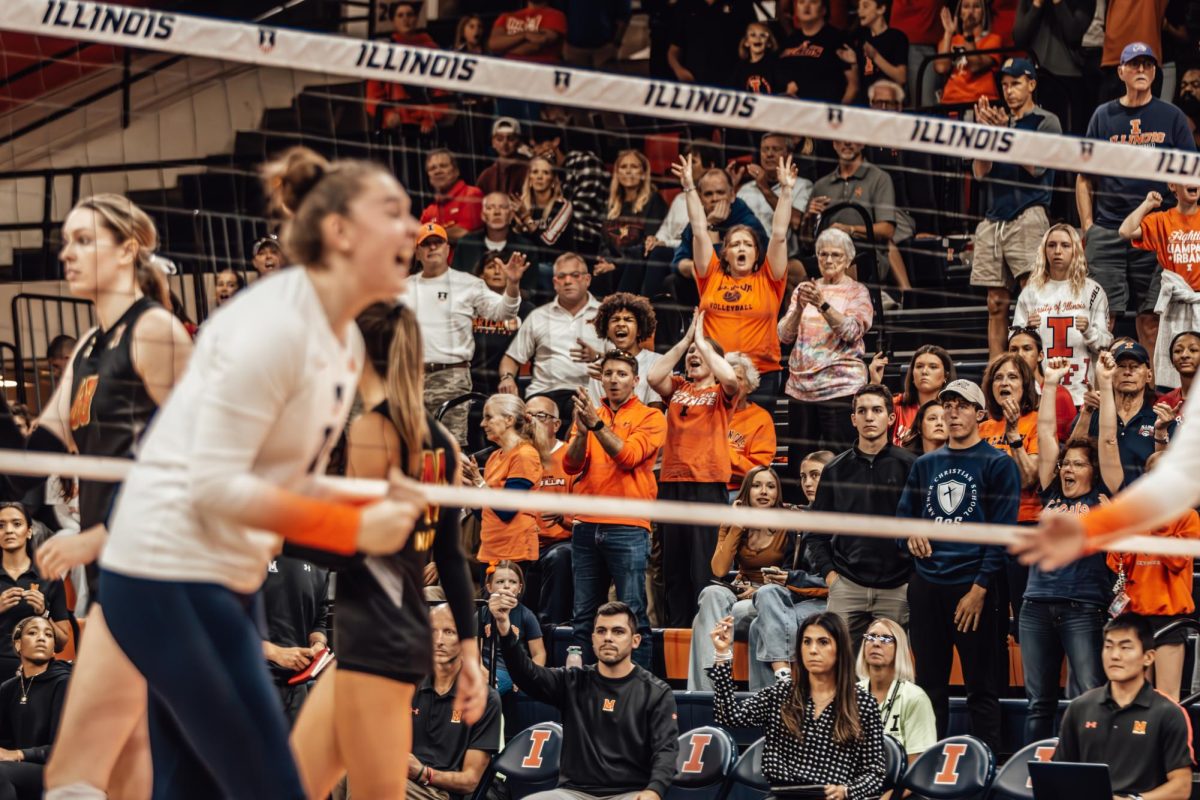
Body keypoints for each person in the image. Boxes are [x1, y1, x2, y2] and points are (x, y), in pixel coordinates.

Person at [90, 147, 456, 800]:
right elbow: (212, 487)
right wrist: (353, 526)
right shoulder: (272, 331)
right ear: (342, 235)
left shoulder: (340, 342)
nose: (413, 230)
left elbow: (281, 480)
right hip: (165, 573)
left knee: (192, 787)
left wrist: (363, 500)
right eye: (394, 215)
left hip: (221, 576)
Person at [7, 193, 195, 800]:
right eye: (66, 241)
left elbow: (194, 463)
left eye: (84, 240)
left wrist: (102, 534)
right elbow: (36, 451)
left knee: (92, 762)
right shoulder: (89, 346)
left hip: (160, 565)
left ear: (128, 250)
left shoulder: (155, 331)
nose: (67, 253)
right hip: (118, 572)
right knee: (119, 759)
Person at [292, 299, 485, 799]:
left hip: (376, 636)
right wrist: (470, 653)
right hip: (392, 637)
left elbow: (357, 547)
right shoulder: (439, 439)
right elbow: (449, 557)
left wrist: (270, 529)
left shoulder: (370, 433)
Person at [896, 379, 1020, 753]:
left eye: (962, 406)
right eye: (947, 405)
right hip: (927, 585)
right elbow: (901, 522)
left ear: (980, 414)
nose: (953, 412)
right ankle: (927, 762)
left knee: (982, 685)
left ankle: (986, 766)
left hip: (974, 586)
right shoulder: (925, 464)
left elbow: (1002, 532)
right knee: (928, 682)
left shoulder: (998, 464)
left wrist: (980, 589)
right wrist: (910, 536)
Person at [1020, 354, 1121, 743]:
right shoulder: (1049, 493)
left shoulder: (1104, 494)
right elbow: (1046, 435)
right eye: (1066, 463)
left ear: (1093, 470)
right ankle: (1030, 773)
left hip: (1083, 606)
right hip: (1036, 606)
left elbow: (1109, 437)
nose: (1068, 469)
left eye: (1078, 464)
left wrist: (1106, 384)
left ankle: (1092, 770)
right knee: (1038, 702)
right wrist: (1050, 383)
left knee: (1089, 697)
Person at [1078, 42, 1197, 356]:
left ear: (1156, 72)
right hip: (1107, 229)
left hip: (1156, 230)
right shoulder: (1103, 116)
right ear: (1121, 72)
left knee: (1152, 319)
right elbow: (1084, 176)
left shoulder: (1171, 116)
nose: (1141, 70)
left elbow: (1191, 174)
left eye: (1147, 65)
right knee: (1102, 318)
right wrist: (1088, 226)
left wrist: (1183, 223)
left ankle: (1156, 397)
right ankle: (1098, 397)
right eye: (1134, 65)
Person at [494, 600, 680, 800]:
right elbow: (527, 675)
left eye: (618, 632)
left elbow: (666, 750)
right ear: (592, 639)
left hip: (629, 793)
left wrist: (654, 791)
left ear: (635, 640)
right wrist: (506, 632)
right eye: (601, 631)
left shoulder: (656, 692)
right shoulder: (573, 681)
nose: (607, 638)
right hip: (573, 793)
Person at [709, 611, 885, 799]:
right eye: (807, 642)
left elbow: (876, 773)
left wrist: (847, 791)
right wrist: (722, 655)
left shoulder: (863, 704)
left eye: (823, 642)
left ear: (840, 649)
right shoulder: (780, 694)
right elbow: (728, 716)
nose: (813, 650)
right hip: (783, 794)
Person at [564, 351, 666, 669]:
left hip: (629, 526)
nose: (614, 379)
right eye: (608, 373)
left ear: (635, 381)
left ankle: (642, 694)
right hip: (586, 525)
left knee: (634, 614)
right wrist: (581, 433)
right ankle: (581, 690)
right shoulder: (589, 415)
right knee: (583, 616)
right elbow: (570, 464)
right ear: (601, 379)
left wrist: (594, 426)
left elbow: (629, 457)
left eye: (622, 374)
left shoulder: (651, 417)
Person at [688, 465, 825, 692]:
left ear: (777, 493)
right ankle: (709, 689)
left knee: (713, 619)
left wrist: (764, 586)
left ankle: (754, 693)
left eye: (770, 487)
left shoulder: (789, 521)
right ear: (746, 491)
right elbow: (720, 570)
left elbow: (792, 569)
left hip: (771, 595)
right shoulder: (732, 521)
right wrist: (737, 526)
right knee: (710, 594)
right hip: (740, 590)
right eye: (757, 486)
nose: (764, 492)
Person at [677, 151, 796, 399]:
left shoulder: (770, 278)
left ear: (756, 253)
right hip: (715, 372)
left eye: (748, 244)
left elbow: (779, 234)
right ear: (725, 253)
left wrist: (785, 191)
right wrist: (689, 188)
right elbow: (699, 232)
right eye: (734, 244)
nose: (741, 248)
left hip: (761, 375)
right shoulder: (711, 274)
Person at [648, 313, 739, 628]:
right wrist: (686, 342)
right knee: (673, 569)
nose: (694, 356)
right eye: (691, 355)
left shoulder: (719, 394)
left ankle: (706, 635)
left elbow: (730, 379)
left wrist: (703, 344)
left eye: (702, 354)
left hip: (706, 485)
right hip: (672, 485)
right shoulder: (676, 387)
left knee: (702, 569)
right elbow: (652, 377)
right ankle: (678, 636)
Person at [808, 384, 917, 645]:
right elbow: (815, 533)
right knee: (835, 664)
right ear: (853, 419)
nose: (869, 417)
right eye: (862, 411)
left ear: (890, 418)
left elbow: (923, 529)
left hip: (897, 586)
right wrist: (831, 577)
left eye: (877, 410)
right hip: (847, 585)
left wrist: (912, 578)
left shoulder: (911, 466)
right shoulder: (834, 470)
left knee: (893, 668)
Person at [399, 222, 526, 446]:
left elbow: (503, 313)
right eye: (425, 244)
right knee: (412, 447)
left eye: (438, 243)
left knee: (452, 448)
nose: (432, 248)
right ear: (417, 252)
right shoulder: (402, 288)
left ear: (448, 249)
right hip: (410, 377)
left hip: (452, 376)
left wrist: (513, 285)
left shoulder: (468, 284)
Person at [971, 58, 1061, 359]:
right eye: (1005, 85)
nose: (1009, 91)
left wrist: (1006, 134)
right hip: (993, 219)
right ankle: (997, 370)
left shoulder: (1045, 121)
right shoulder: (996, 122)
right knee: (995, 302)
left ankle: (1035, 368)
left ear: (1032, 84)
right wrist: (985, 134)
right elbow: (979, 172)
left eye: (1016, 83)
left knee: (1031, 295)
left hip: (1029, 214)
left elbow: (1037, 168)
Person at [1052, 614, 1193, 800]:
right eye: (1108, 647)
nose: (1115, 655)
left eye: (1125, 647)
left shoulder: (1169, 713)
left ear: (1148, 657)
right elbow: (1060, 774)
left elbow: (1181, 788)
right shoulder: (1080, 707)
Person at [779, 228, 874, 493]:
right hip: (801, 388)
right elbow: (784, 335)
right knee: (799, 459)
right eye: (823, 254)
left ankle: (845, 512)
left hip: (840, 387)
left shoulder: (857, 291)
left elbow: (852, 332)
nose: (828, 260)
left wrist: (822, 305)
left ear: (848, 259)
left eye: (835, 255)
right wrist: (798, 307)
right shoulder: (804, 289)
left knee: (841, 457)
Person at [1104, 450, 1200, 702]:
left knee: (1168, 699)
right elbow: (1116, 563)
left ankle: (1170, 742)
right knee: (1137, 697)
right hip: (1136, 618)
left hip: (1170, 619)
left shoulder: (1188, 517)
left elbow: (1177, 560)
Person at [407, 604, 502, 800]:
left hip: (440, 791)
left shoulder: (486, 698)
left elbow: (470, 780)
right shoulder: (409, 687)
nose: (439, 641)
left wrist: (422, 772)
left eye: (449, 632)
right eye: (433, 631)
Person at [1012, 224, 1113, 407]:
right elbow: (1013, 345)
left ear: (1075, 249)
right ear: (1044, 250)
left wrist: (1089, 331)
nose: (1057, 251)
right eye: (1051, 245)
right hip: (1038, 393)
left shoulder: (1092, 291)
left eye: (1065, 245)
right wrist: (1026, 331)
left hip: (1082, 394)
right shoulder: (1030, 292)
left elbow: (1106, 344)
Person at [498, 252, 603, 423]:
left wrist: (597, 356)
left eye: (575, 275)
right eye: (561, 277)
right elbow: (511, 358)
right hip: (543, 392)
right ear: (555, 283)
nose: (568, 281)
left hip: (587, 392)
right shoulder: (538, 316)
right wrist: (507, 377)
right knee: (538, 416)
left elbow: (623, 360)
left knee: (582, 413)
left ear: (587, 280)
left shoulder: (605, 315)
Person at [805, 140, 912, 295]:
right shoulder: (822, 185)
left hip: (864, 252)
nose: (846, 143)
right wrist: (808, 218)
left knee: (846, 265)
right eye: (841, 139)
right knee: (792, 269)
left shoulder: (879, 178)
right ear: (834, 144)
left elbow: (887, 230)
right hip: (825, 254)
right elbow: (807, 241)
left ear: (862, 143)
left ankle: (849, 310)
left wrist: (849, 229)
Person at [1120, 182, 1200, 384]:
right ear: (1173, 186)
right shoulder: (1163, 219)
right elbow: (1125, 231)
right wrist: (1147, 205)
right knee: (1173, 362)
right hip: (1175, 305)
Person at [1070, 340, 1165, 487]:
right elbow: (1071, 453)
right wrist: (1086, 413)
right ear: (1111, 373)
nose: (1127, 372)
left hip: (1141, 502)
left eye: (1135, 366)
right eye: (1120, 366)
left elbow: (1165, 467)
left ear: (1149, 376)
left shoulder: (1159, 418)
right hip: (1096, 503)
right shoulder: (1094, 412)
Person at [465, 395, 542, 569]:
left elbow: (506, 510)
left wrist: (479, 482)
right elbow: (484, 513)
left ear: (509, 420)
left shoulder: (524, 455)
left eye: (488, 417)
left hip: (515, 553)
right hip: (491, 550)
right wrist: (471, 487)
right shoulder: (494, 457)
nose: (482, 424)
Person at [0, 617, 71, 800]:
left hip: (56, 770)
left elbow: (62, 749)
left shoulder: (64, 683)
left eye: (48, 635)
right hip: (17, 770)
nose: (41, 638)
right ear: (18, 645)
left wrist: (18, 754)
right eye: (32, 633)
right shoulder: (8, 688)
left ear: (53, 648)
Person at [0, 503, 69, 679]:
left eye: (16, 524)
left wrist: (43, 614)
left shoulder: (49, 576)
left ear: (29, 531)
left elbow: (61, 643)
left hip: (36, 669)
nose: (8, 530)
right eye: (1, 525)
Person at [855, 617, 936, 763]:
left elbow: (918, 767)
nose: (876, 643)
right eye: (871, 637)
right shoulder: (850, 694)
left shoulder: (915, 697)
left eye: (886, 639)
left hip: (898, 784)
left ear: (900, 649)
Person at [261, 553, 330, 725]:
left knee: (298, 752)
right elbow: (223, 625)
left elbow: (319, 621)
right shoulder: (256, 551)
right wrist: (274, 652)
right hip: (255, 679)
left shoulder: (320, 563)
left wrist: (318, 643)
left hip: (296, 684)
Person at [525, 394, 574, 627]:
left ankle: (550, 631)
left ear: (556, 425)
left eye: (541, 416)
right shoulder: (516, 455)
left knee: (561, 556)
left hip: (560, 541)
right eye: (527, 416)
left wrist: (563, 519)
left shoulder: (570, 458)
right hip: (523, 542)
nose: (532, 421)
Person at [977, 353, 1041, 527]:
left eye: (1012, 376)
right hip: (986, 520)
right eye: (998, 378)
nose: (1004, 382)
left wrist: (1013, 434)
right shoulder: (981, 428)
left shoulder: (1038, 421)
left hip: (1023, 520)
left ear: (1025, 385)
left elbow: (1027, 479)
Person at [363, 2, 446, 135]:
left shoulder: (432, 49)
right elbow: (373, 93)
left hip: (428, 126)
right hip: (396, 126)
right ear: (393, 21)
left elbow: (441, 90)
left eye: (409, 15)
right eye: (400, 15)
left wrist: (431, 118)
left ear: (416, 18)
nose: (405, 19)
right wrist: (387, 115)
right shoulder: (384, 51)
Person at [601, 150, 668, 295]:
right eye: (623, 167)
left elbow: (648, 244)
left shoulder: (654, 201)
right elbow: (604, 243)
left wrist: (616, 264)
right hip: (611, 265)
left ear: (643, 173)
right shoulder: (611, 204)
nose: (629, 171)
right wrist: (606, 262)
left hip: (636, 266)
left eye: (634, 167)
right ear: (617, 173)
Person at [584, 292, 663, 409]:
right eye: (615, 319)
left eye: (628, 319)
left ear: (640, 330)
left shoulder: (658, 362)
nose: (621, 324)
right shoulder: (599, 367)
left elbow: (656, 413)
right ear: (606, 330)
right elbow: (595, 414)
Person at [478, 562, 546, 696]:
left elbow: (539, 653)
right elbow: (473, 649)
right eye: (500, 581)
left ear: (520, 588)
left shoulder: (526, 615)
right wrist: (480, 669)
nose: (507, 585)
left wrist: (527, 677)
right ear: (489, 587)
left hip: (508, 670)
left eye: (513, 582)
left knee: (486, 692)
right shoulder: (482, 613)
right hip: (483, 668)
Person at [730, 133, 812, 243]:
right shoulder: (746, 189)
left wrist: (765, 190)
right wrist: (729, 190)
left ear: (789, 155)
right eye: (765, 149)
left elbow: (796, 223)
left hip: (784, 256)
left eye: (776, 149)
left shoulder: (802, 186)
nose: (769, 154)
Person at [774, 0, 859, 104]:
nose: (806, 6)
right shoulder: (789, 41)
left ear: (824, 10)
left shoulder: (838, 39)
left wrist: (837, 112)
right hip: (789, 112)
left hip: (822, 113)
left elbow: (853, 86)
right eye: (801, 2)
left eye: (813, 2)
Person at [869, 344, 956, 446]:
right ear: (912, 374)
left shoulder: (955, 410)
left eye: (933, 367)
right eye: (919, 366)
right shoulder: (896, 405)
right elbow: (869, 423)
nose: (924, 372)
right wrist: (874, 382)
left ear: (946, 375)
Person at [1006, 327, 1079, 443]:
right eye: (1014, 350)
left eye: (1027, 349)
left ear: (1040, 356)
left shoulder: (1059, 394)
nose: (1019, 355)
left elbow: (1067, 443)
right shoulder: (1003, 392)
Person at [667, 0, 756, 88]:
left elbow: (754, 42)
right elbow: (674, 49)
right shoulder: (685, 5)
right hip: (694, 84)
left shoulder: (742, 4)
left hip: (732, 85)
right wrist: (679, 71)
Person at [726, 354, 776, 495]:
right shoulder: (707, 413)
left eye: (738, 378)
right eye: (727, 378)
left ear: (749, 387)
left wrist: (719, 451)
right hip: (706, 488)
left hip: (740, 490)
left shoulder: (761, 419)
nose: (732, 384)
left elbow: (757, 470)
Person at [934, 0, 1000, 105]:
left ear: (983, 12)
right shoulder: (950, 40)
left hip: (981, 103)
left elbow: (975, 66)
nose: (971, 11)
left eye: (976, 6)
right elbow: (941, 68)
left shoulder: (993, 39)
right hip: (951, 102)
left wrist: (968, 35)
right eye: (966, 6)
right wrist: (948, 33)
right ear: (960, 13)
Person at [450, 193, 533, 275]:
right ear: (483, 215)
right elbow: (456, 281)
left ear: (511, 215)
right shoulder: (466, 244)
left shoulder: (525, 248)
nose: (497, 212)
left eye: (503, 207)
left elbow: (530, 286)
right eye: (490, 208)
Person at [512, 155, 576, 256]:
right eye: (535, 172)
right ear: (529, 179)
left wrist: (526, 218)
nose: (539, 177)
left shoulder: (563, 206)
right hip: (526, 261)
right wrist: (516, 225)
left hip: (554, 263)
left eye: (545, 173)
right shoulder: (521, 205)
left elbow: (548, 245)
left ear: (553, 180)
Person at [419, 150, 484, 244]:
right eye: (432, 168)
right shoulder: (429, 211)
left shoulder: (471, 194)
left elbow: (463, 233)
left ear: (456, 171)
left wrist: (429, 235)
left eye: (443, 166)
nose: (437, 171)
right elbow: (418, 240)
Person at [488, 0, 568, 66]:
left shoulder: (556, 15)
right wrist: (525, 35)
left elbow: (536, 45)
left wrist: (504, 47)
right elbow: (493, 44)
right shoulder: (506, 16)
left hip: (540, 71)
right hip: (508, 70)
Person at [856, 0, 910, 96]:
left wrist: (875, 56)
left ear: (881, 9)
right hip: (865, 101)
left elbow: (901, 77)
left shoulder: (896, 37)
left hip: (889, 99)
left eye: (865, 6)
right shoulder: (859, 38)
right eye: (859, 7)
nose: (860, 11)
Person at [476, 118, 530, 198]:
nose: (504, 143)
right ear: (493, 142)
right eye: (499, 139)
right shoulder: (487, 176)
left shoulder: (530, 169)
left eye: (511, 139)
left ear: (519, 141)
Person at [1156, 331, 1200, 422]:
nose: (1184, 355)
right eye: (1178, 351)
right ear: (1172, 360)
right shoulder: (1164, 402)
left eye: (1193, 350)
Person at [731, 20, 779, 95]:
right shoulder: (740, 68)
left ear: (769, 43)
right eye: (753, 35)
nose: (758, 38)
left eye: (762, 35)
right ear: (746, 42)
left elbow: (790, 88)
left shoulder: (775, 64)